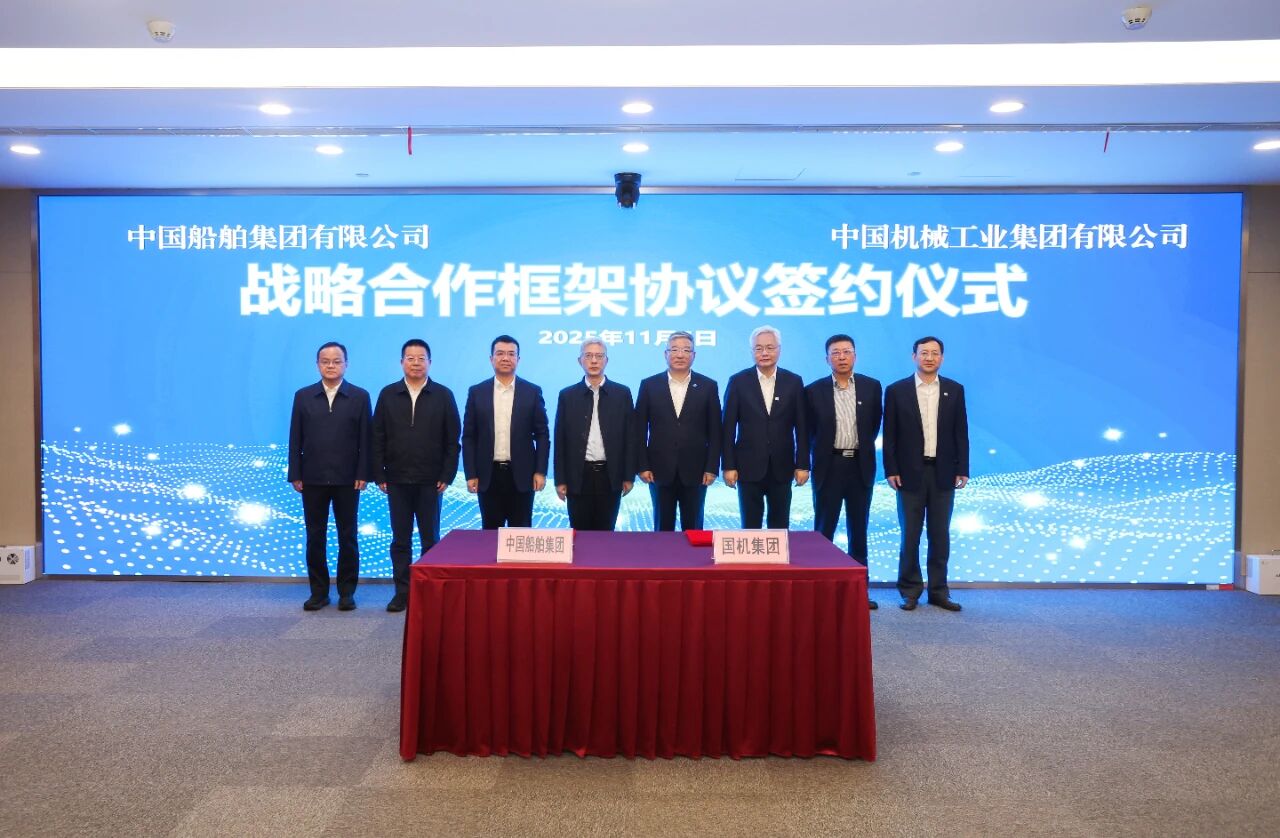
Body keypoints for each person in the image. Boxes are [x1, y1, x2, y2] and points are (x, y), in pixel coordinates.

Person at [371, 339, 460, 613]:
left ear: (430, 363)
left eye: (421, 358)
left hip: (430, 481)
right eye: (410, 358)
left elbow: (452, 440)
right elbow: (377, 436)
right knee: (400, 539)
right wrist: (379, 473)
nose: (416, 363)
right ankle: (402, 592)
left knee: (430, 539)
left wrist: (447, 474)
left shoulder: (443, 395)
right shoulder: (388, 394)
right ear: (402, 363)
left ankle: (429, 592)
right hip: (396, 480)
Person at [883, 336, 970, 612]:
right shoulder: (897, 390)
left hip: (943, 472)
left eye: (934, 353)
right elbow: (890, 435)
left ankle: (939, 591)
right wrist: (891, 469)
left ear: (942, 358)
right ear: (914, 357)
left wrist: (963, 468)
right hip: (909, 474)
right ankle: (909, 590)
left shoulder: (954, 390)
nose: (929, 358)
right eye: (924, 353)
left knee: (939, 534)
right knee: (910, 535)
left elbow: (961, 432)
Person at [287, 341, 371, 612]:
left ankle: (347, 592)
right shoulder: (303, 396)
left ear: (346, 364)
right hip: (312, 478)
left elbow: (366, 439)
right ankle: (319, 592)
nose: (331, 365)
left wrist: (363, 472)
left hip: (348, 479)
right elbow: (295, 437)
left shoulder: (359, 396)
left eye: (337, 361)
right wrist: (295, 473)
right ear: (317, 365)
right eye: (325, 361)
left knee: (348, 537)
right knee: (315, 536)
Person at [806, 334, 883, 609]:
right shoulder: (813, 390)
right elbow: (810, 432)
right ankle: (819, 590)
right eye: (835, 353)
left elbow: (873, 426)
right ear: (827, 359)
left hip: (860, 466)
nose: (841, 357)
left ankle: (859, 591)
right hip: (829, 466)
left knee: (858, 530)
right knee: (823, 531)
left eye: (846, 351)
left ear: (855, 356)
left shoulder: (872, 387)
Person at [721, 325, 809, 529]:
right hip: (747, 466)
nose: (764, 353)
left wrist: (803, 464)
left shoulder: (793, 382)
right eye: (758, 348)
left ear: (779, 350)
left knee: (780, 525)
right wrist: (728, 465)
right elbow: (727, 428)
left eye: (770, 347)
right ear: (752, 351)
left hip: (782, 465)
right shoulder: (738, 381)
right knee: (750, 525)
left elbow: (802, 427)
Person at [635, 331, 721, 531]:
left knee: (694, 528)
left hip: (697, 470)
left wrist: (711, 467)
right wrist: (642, 465)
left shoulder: (708, 386)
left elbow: (716, 431)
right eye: (674, 350)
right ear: (665, 354)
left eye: (686, 350)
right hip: (658, 469)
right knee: (662, 528)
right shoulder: (649, 385)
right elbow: (639, 430)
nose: (680, 355)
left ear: (694, 355)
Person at [461, 335, 550, 528]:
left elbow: (542, 434)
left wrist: (540, 471)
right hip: (488, 475)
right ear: (491, 358)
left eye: (511, 354)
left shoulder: (532, 392)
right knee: (490, 533)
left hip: (523, 475)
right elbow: (468, 437)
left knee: (521, 533)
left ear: (518, 359)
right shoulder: (477, 392)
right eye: (500, 353)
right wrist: (471, 473)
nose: (505, 358)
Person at [554, 338, 635, 530]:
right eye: (588, 355)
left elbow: (630, 438)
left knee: (606, 533)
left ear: (606, 360)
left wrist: (628, 476)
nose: (594, 360)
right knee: (579, 533)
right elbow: (560, 440)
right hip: (578, 476)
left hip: (610, 475)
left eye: (599, 356)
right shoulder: (567, 395)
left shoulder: (622, 394)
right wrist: (560, 479)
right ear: (579, 360)